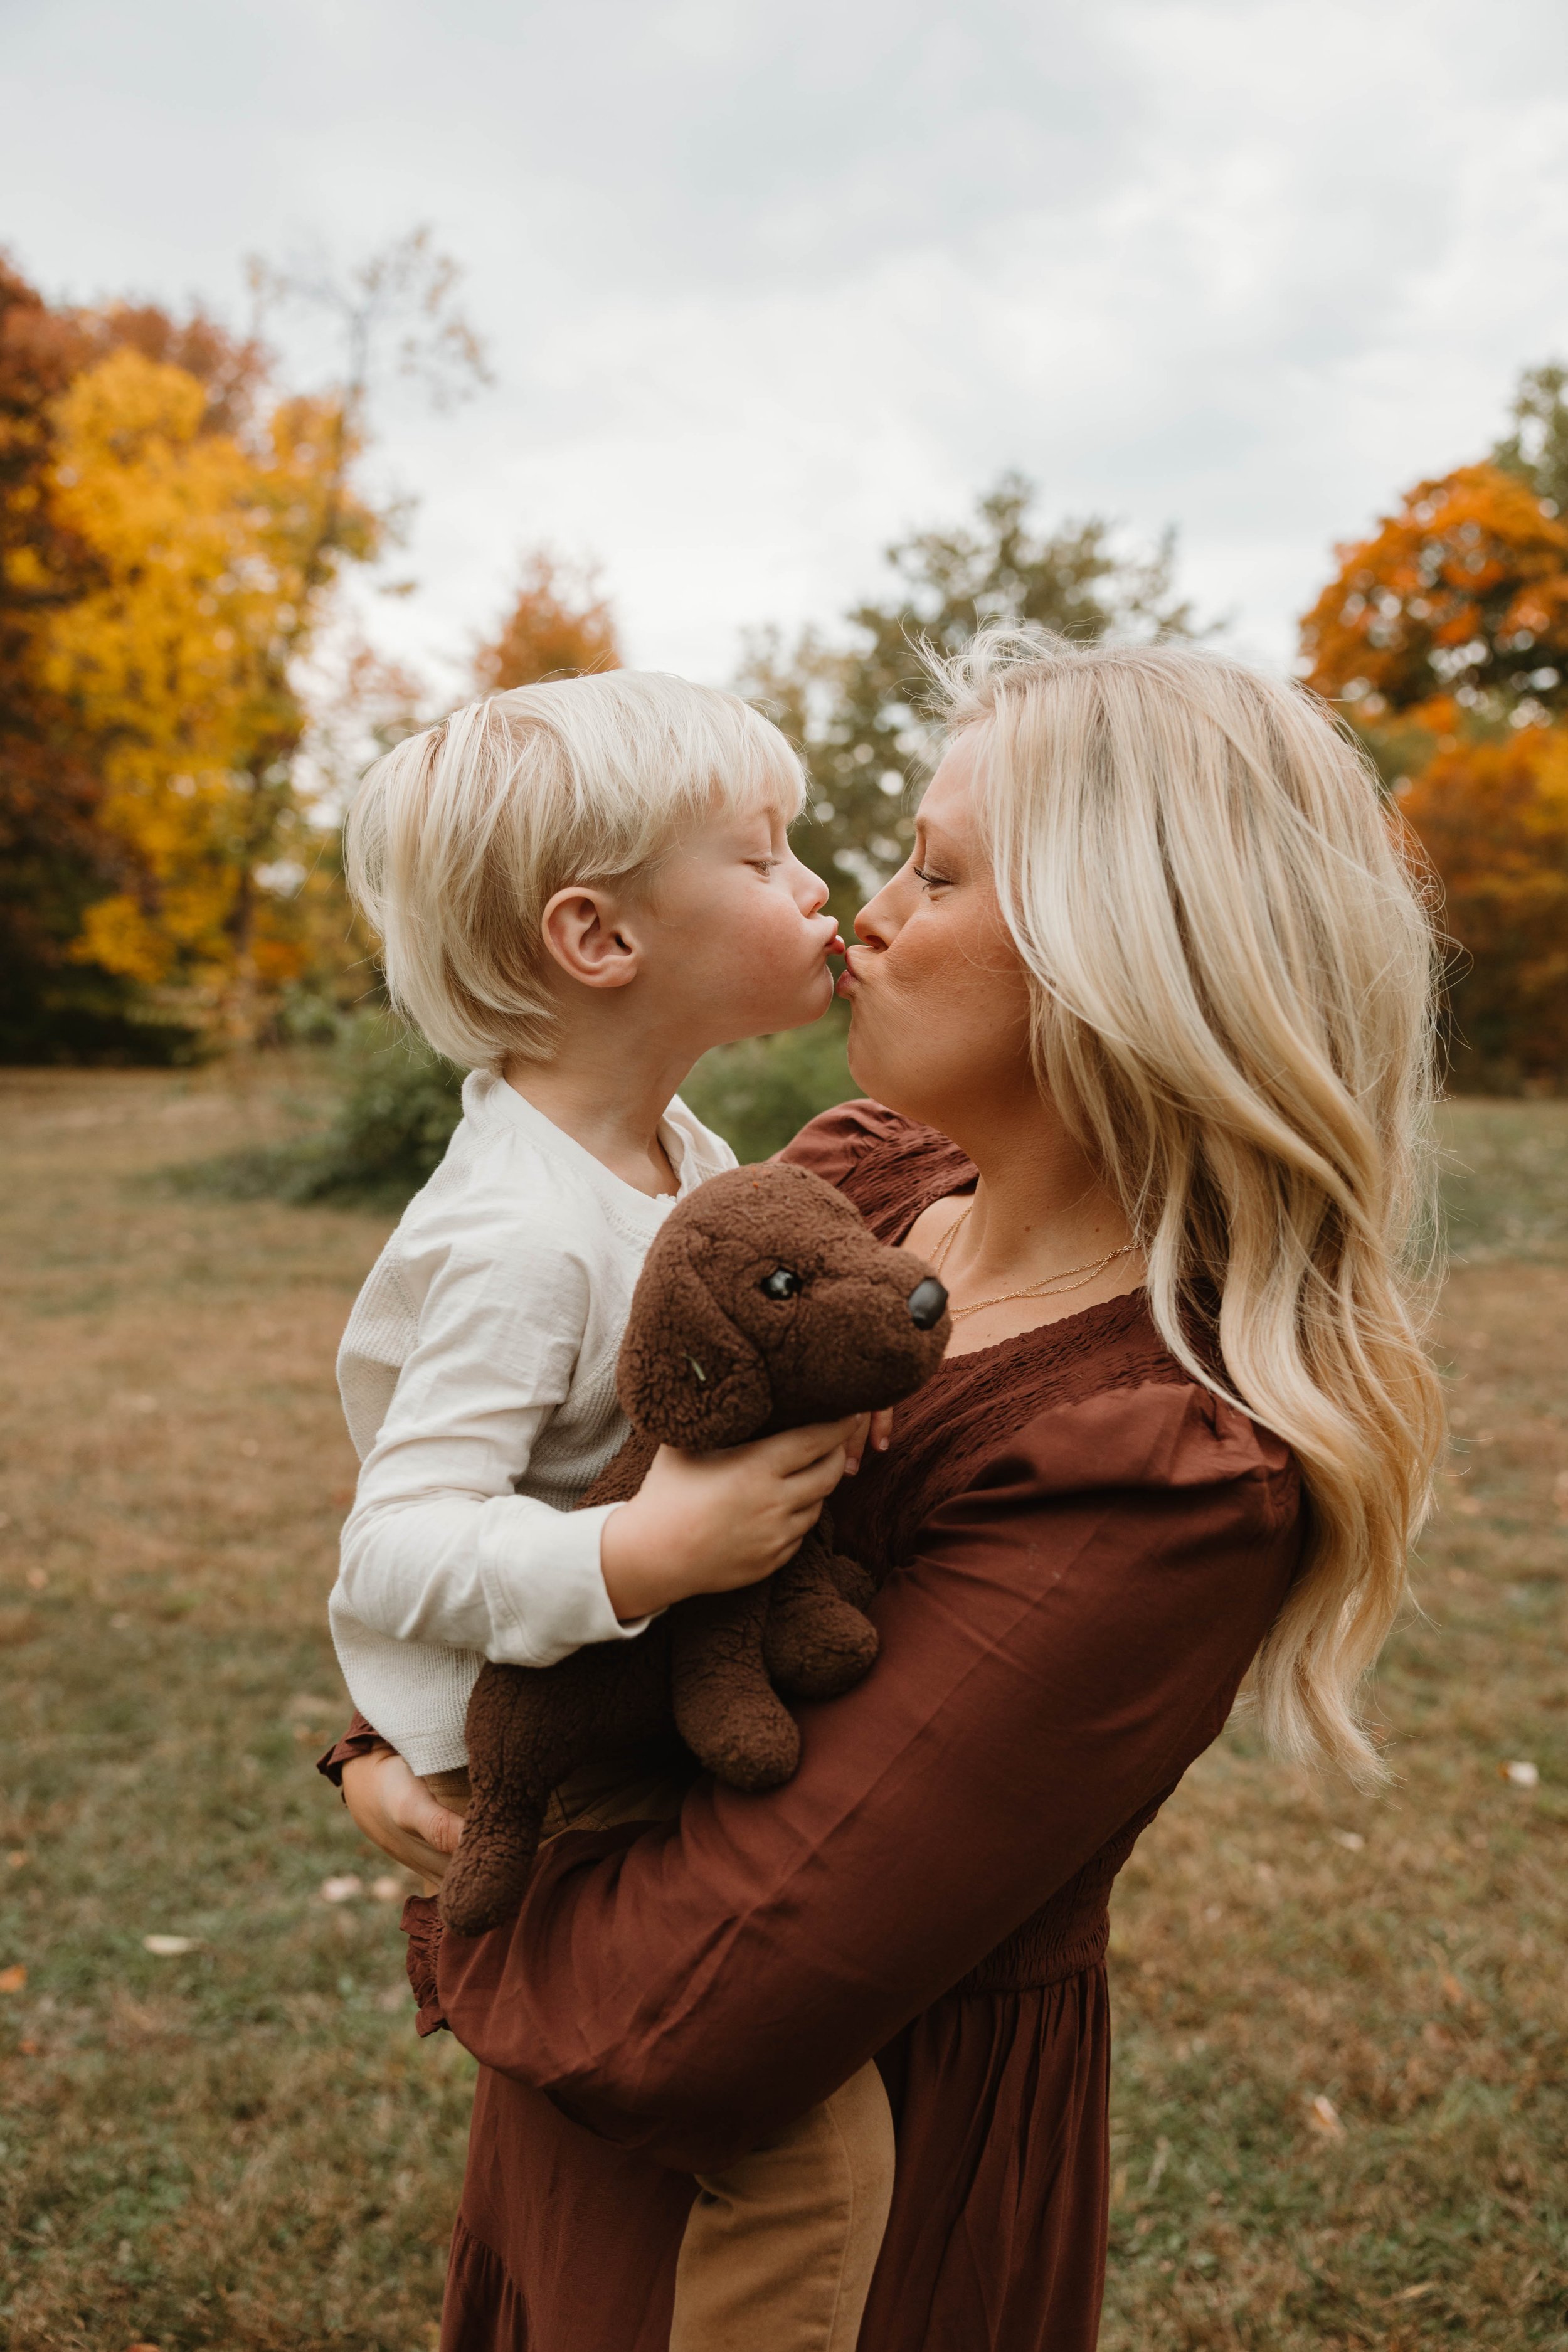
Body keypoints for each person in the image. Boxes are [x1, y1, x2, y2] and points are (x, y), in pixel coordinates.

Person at [333, 631, 1444, 2351]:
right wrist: (378, 1744)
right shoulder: (853, 1183)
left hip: (839, 2191)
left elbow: (683, 2012)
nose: (860, 907)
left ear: (1113, 957)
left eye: (933, 869)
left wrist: (475, 1867)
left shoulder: (1149, 1464)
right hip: (573, 2124)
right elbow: (547, 1466)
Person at [328, 669, 899, 2350]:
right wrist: (638, 1554)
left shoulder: (671, 1150)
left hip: (625, 1695)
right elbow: (396, 1542)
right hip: (539, 1754)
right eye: (764, 853)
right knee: (805, 2158)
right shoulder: (521, 1235)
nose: (816, 885)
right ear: (598, 940)